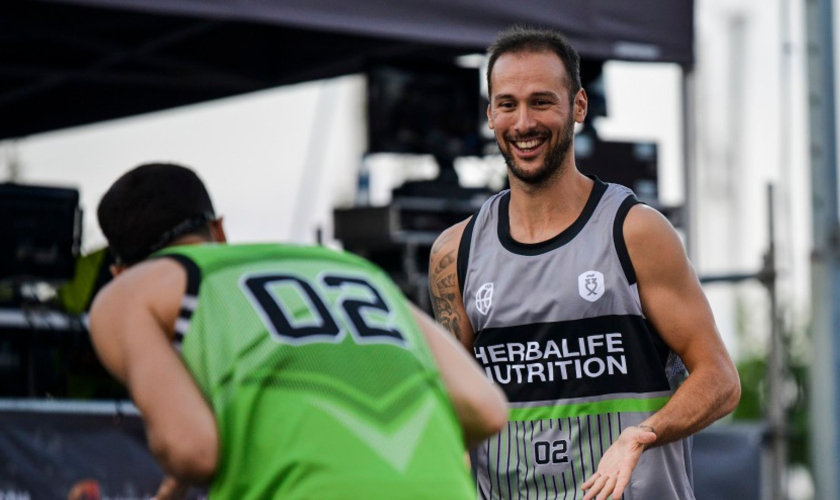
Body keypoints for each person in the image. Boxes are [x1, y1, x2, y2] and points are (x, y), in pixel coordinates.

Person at [429, 26, 741, 500]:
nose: (524, 122)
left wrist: (642, 434)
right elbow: (453, 412)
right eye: (508, 104)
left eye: (542, 101)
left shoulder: (635, 231)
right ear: (490, 114)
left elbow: (720, 380)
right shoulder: (455, 253)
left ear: (577, 107)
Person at [89, 163, 507, 499]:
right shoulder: (352, 270)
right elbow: (486, 407)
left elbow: (193, 451)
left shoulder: (130, 292)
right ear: (218, 230)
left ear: (119, 270)